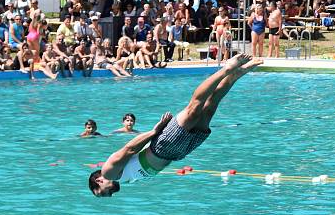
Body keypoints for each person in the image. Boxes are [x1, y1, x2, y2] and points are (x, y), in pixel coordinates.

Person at [89, 54, 263, 197]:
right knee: (209, 108)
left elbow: (129, 148)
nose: (107, 195)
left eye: (100, 194)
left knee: (195, 107)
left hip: (164, 147)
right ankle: (236, 74)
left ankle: (227, 68)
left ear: (98, 182)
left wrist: (154, 131)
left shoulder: (108, 172)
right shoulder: (122, 179)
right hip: (177, 152)